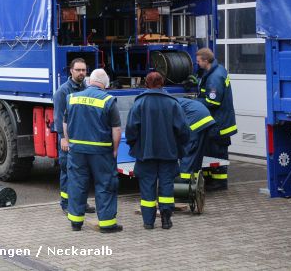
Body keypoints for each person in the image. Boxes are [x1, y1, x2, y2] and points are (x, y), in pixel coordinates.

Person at [126, 72, 189, 230]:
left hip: (145, 153)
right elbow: (183, 130)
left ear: (146, 84)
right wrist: (180, 146)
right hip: (169, 153)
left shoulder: (139, 103)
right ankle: (166, 220)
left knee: (147, 186)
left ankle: (148, 222)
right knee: (167, 185)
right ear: (163, 83)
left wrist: (135, 145)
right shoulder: (173, 103)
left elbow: (131, 130)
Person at [63, 68, 122, 233]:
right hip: (101, 152)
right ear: (106, 84)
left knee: (77, 184)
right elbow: (116, 130)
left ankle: (75, 222)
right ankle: (107, 224)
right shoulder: (109, 100)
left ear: (89, 81)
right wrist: (115, 150)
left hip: (77, 151)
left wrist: (69, 142)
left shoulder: (72, 98)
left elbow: (65, 124)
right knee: (105, 184)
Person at [52, 58, 95, 215]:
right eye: (78, 70)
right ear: (71, 71)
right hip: (68, 140)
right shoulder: (63, 92)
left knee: (82, 173)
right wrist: (63, 137)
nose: (82, 73)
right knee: (67, 172)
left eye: (84, 70)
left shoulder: (86, 88)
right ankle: (66, 203)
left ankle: (81, 203)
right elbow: (58, 116)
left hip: (83, 138)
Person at [194, 48, 237, 190]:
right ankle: (209, 180)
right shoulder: (215, 71)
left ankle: (219, 183)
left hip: (220, 124)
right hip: (216, 122)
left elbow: (213, 102)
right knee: (208, 151)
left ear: (206, 61)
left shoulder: (215, 77)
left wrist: (194, 103)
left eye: (199, 61)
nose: (197, 63)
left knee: (218, 153)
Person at [176, 97, 217, 183]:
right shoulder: (173, 101)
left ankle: (184, 183)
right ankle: (195, 181)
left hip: (196, 118)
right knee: (197, 155)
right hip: (206, 119)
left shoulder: (167, 105)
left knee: (187, 151)